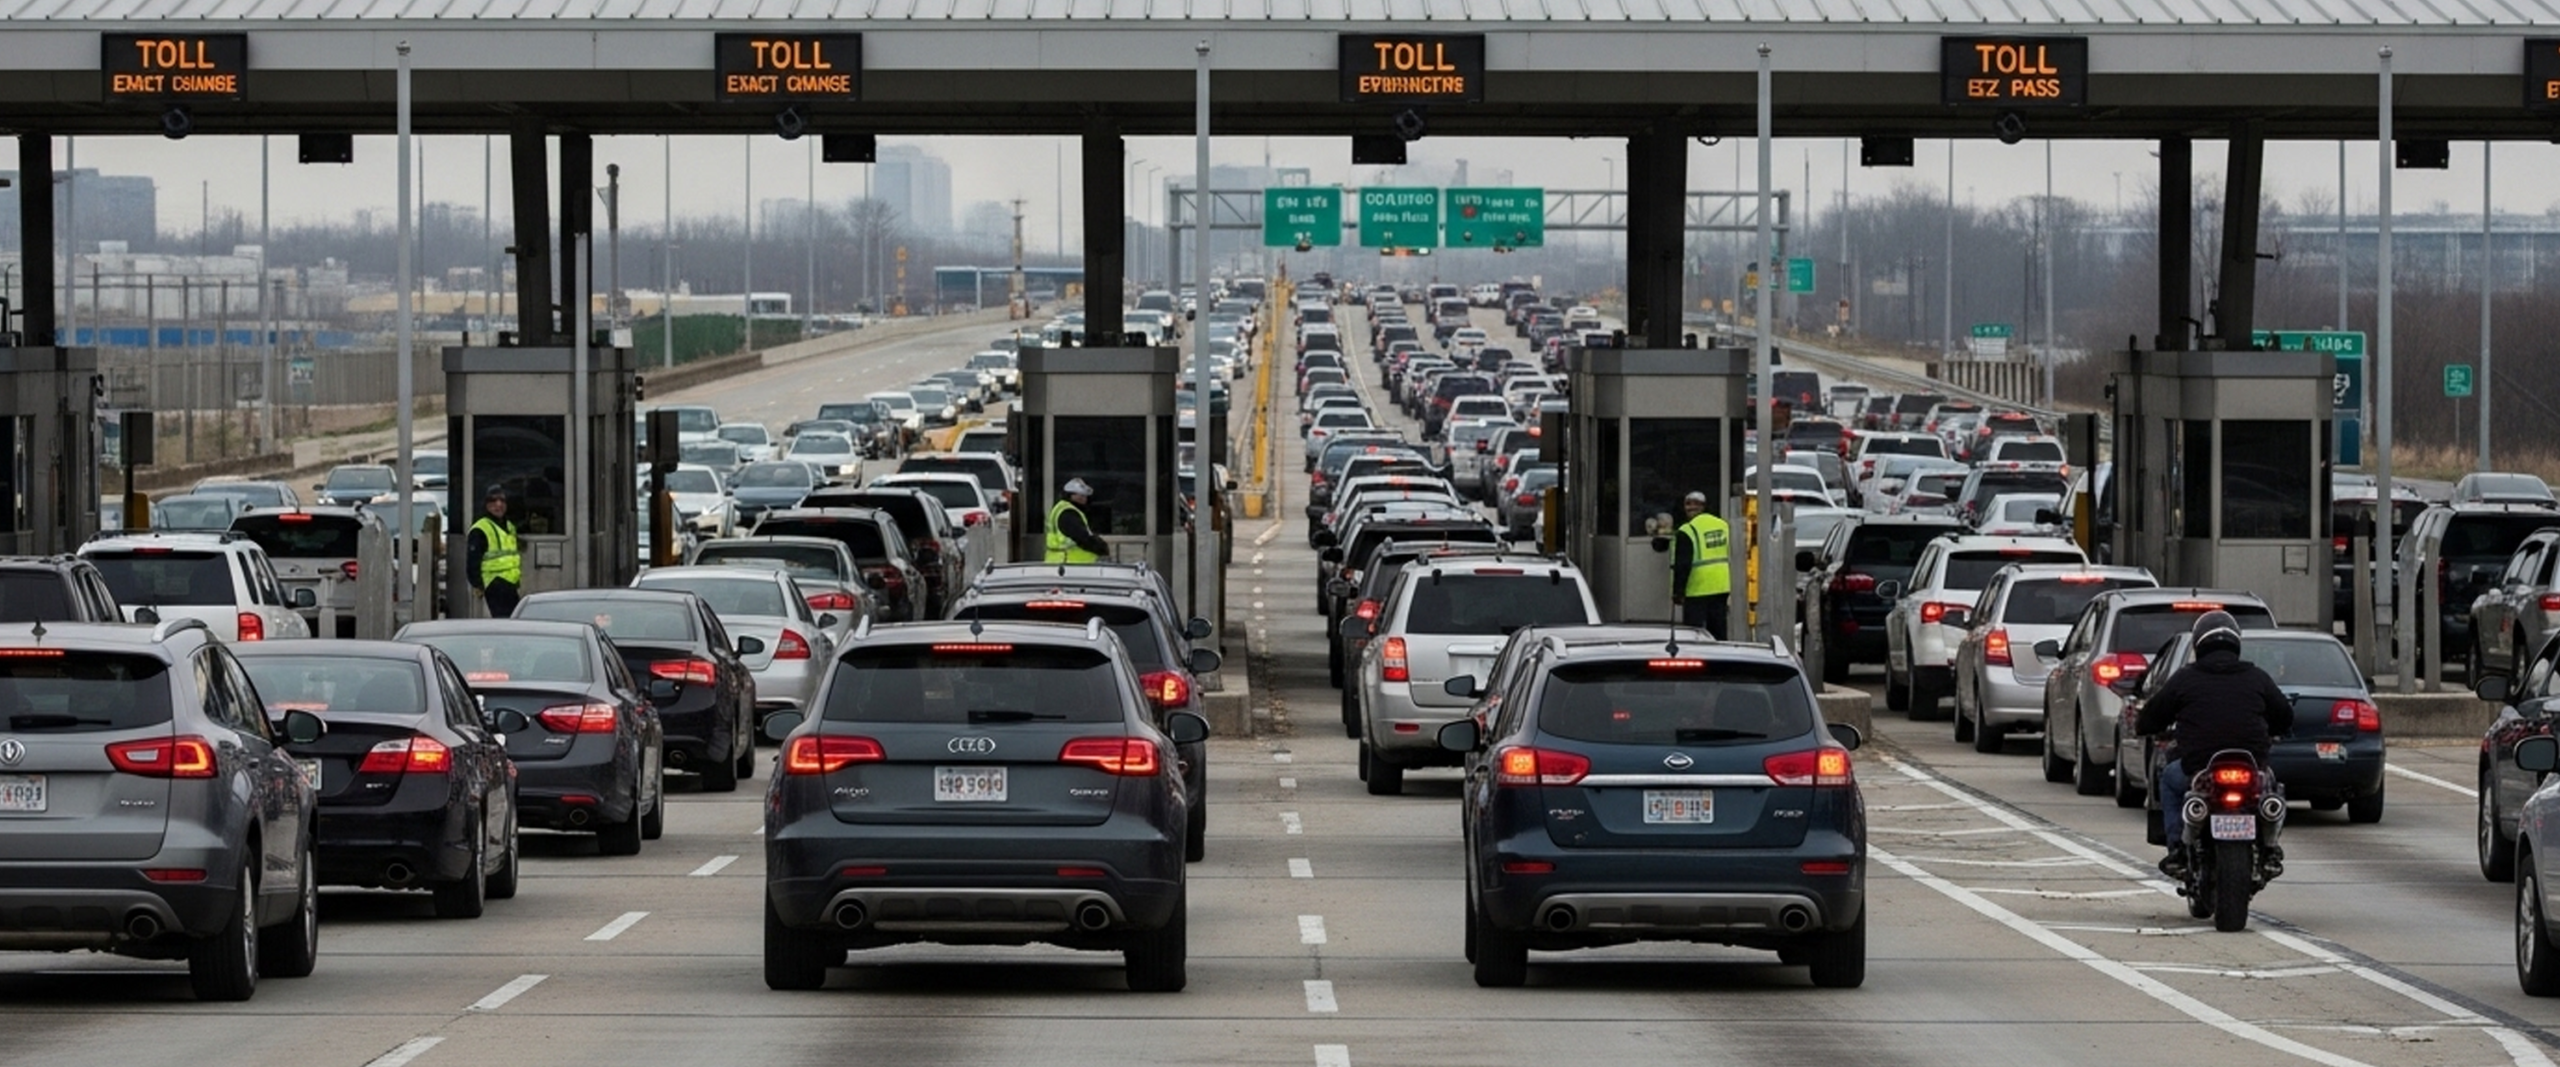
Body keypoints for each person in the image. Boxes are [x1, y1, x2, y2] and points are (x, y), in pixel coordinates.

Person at [2134, 610, 2293, 878]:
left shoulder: (2185, 678)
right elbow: (2284, 717)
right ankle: (2270, 848)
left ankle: (2176, 848)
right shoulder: (2256, 677)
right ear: (2235, 644)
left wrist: (2148, 727)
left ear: (2199, 644)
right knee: (2273, 789)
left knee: (2169, 780)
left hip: (2199, 767)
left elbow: (2151, 717)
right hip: (2251, 766)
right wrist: (2277, 730)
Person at [1668, 490, 1732, 639]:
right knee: (1718, 630)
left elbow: (1682, 564)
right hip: (1722, 586)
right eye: (1688, 504)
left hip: (1697, 588)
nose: (1690, 508)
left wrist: (1678, 592)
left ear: (1703, 506)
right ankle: (1720, 657)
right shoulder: (1723, 525)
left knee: (1693, 632)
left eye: (1694, 504)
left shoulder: (1687, 530)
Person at [467, 484, 524, 618]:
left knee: (515, 619)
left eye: (502, 500)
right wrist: (477, 584)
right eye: (493, 501)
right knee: (505, 621)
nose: (498, 504)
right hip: (494, 583)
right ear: (486, 504)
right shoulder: (480, 528)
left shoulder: (509, 526)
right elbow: (472, 561)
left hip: (511, 583)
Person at [1044, 477, 1111, 564]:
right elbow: (1082, 538)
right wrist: (1101, 547)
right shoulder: (1068, 512)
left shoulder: (1062, 508)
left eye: (1085, 496)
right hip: (1071, 564)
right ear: (1071, 495)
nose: (1084, 499)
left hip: (1061, 563)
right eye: (1081, 495)